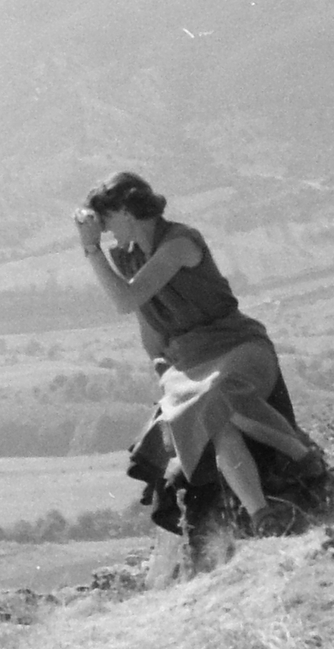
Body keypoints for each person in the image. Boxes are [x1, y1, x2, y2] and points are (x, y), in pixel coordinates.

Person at [74, 170, 320, 536]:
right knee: (209, 418)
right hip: (187, 364)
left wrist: (91, 250)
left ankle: (304, 458)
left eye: (107, 220)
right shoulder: (128, 259)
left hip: (237, 346)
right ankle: (261, 515)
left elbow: (126, 300)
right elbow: (149, 327)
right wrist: (163, 372)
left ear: (125, 210)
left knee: (215, 396)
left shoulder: (179, 243)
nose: (106, 231)